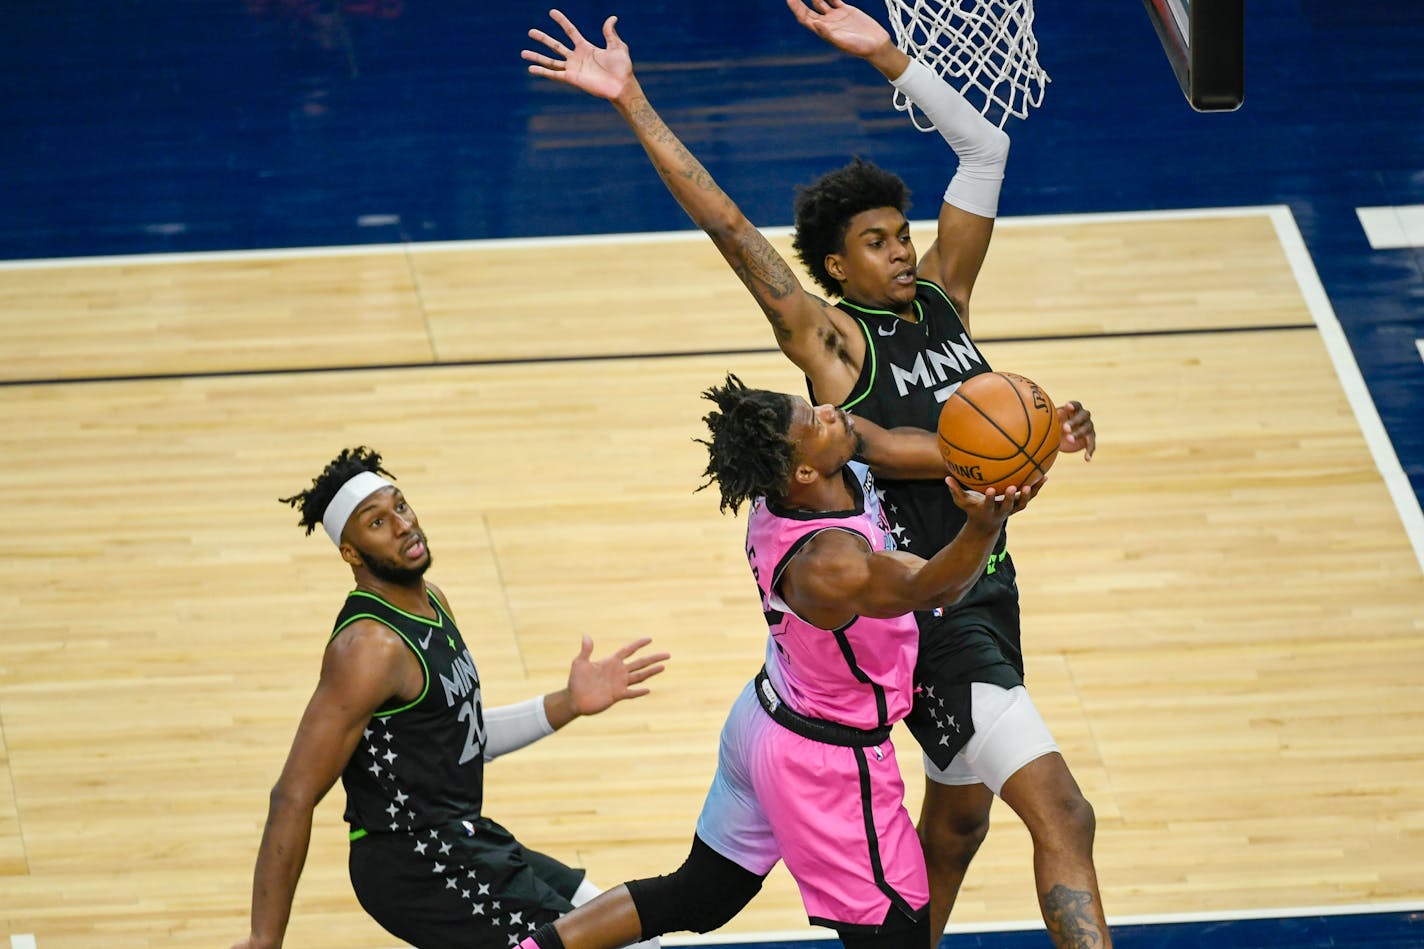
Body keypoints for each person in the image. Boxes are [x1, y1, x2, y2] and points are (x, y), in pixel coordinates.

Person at [523, 3, 1110, 947]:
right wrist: (631, 98)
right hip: (925, 605)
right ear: (835, 266)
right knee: (1066, 816)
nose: (903, 250)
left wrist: (888, 56)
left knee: (958, 825)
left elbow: (987, 150)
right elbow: (723, 223)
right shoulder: (832, 345)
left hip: (985, 589)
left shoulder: (947, 304)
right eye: (876, 242)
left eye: (903, 231)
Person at [511, 373, 1038, 949]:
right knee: (900, 932)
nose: (832, 411)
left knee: (701, 894)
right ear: (804, 471)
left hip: (767, 716)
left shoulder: (795, 483)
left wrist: (1034, 435)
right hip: (825, 761)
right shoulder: (827, 564)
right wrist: (986, 523)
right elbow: (933, 585)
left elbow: (897, 447)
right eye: (815, 420)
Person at [231, 446, 670, 949]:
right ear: (351, 553)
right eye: (376, 523)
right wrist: (264, 937)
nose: (401, 525)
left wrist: (566, 703)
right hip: (412, 860)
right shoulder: (368, 648)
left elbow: (463, 735)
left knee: (638, 939)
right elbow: (293, 793)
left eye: (400, 506)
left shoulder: (433, 601)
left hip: (465, 837)